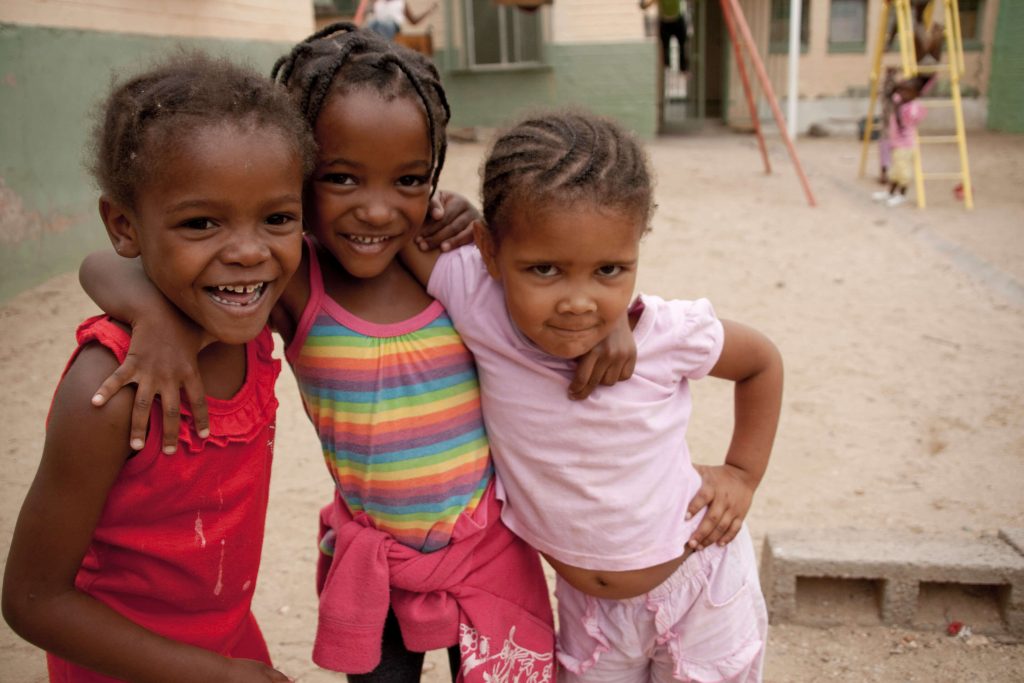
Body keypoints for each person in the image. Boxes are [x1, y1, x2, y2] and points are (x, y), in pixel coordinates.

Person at [78, 25, 632, 683]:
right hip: (376, 562)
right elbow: (105, 265)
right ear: (296, 176)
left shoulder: (451, 261)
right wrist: (152, 318)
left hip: (487, 551)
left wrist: (619, 317)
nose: (376, 210)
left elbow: (564, 275)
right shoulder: (294, 281)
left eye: (408, 179)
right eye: (341, 177)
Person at [401, 109, 783, 682]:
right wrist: (454, 206)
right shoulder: (473, 295)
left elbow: (761, 363)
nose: (579, 301)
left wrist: (742, 474)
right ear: (488, 251)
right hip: (588, 609)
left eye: (609, 269)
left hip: (699, 584)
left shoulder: (662, 334)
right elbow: (390, 223)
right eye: (545, 269)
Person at [1, 52, 317, 682]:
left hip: (227, 641)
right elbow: (34, 600)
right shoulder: (112, 389)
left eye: (277, 218)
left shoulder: (250, 324)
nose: (250, 251)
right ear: (125, 225)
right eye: (201, 223)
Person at [872, 78, 926, 207]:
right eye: (902, 91)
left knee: (903, 173)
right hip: (897, 144)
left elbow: (908, 120)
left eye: (908, 92)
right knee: (894, 173)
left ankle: (901, 195)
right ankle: (890, 193)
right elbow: (891, 94)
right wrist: (894, 83)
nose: (903, 94)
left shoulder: (913, 107)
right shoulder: (900, 101)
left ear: (916, 95)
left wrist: (901, 106)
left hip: (905, 146)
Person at [641, 0, 688, 73]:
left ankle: (683, 68)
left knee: (682, 45)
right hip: (665, 22)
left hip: (677, 20)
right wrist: (644, 4)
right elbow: (646, 5)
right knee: (665, 48)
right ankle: (667, 67)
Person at [356, 0, 439, 41]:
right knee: (372, 23)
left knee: (386, 24)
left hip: (393, 26)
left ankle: (385, 46)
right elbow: (366, 13)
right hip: (378, 27)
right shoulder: (378, 2)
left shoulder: (401, 2)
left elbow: (414, 21)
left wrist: (428, 11)